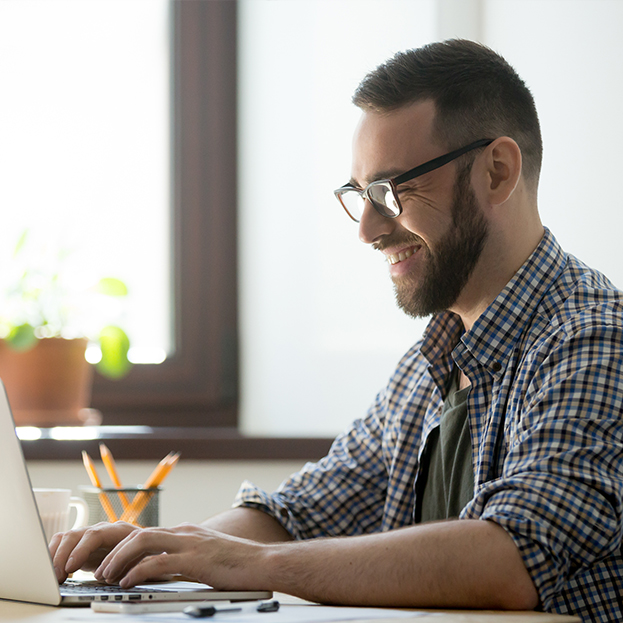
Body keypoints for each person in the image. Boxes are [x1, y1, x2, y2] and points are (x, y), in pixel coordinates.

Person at [50, 40, 623, 622]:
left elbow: (515, 557)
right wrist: (162, 552)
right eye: (360, 195)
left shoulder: (595, 341)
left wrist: (251, 566)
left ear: (496, 172)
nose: (368, 229)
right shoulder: (433, 363)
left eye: (391, 191)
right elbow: (299, 513)